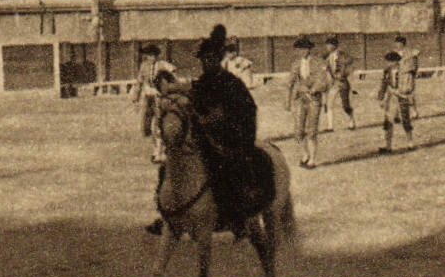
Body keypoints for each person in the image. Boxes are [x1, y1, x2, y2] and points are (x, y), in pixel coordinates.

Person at [147, 24, 262, 235]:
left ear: (218, 60)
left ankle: (236, 217)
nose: (206, 63)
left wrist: (219, 119)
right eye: (203, 60)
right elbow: (191, 88)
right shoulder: (206, 81)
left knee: (226, 169)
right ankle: (169, 215)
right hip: (210, 136)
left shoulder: (230, 82)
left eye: (210, 59)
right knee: (172, 163)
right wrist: (171, 90)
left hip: (233, 137)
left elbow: (245, 112)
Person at [285, 37, 329, 167]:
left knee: (312, 130)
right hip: (299, 99)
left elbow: (323, 80)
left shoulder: (318, 62)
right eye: (299, 49)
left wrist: (313, 90)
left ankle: (312, 159)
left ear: (309, 49)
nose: (301, 51)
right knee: (298, 130)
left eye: (304, 49)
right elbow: (289, 83)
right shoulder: (296, 64)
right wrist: (287, 100)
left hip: (313, 99)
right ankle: (305, 154)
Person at [133, 43, 176, 163]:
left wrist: (166, 73)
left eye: (153, 55)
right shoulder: (144, 67)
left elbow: (173, 71)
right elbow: (139, 82)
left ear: (156, 56)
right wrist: (135, 99)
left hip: (159, 98)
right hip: (148, 99)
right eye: (149, 55)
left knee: (157, 126)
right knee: (147, 127)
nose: (151, 57)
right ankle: (156, 150)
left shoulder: (161, 64)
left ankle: (159, 152)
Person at [375, 50, 414, 152]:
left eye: (389, 61)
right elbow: (383, 85)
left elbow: (409, 86)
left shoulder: (404, 71)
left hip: (402, 97)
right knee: (388, 121)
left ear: (396, 61)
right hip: (391, 98)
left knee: (405, 119)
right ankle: (388, 146)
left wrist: (399, 91)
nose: (387, 64)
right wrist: (380, 98)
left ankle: (410, 143)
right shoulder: (387, 71)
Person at [322, 35, 356, 132]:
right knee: (329, 103)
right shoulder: (328, 57)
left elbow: (350, 63)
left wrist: (343, 73)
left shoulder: (342, 55)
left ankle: (351, 121)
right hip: (333, 83)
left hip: (342, 82)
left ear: (334, 46)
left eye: (329, 45)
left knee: (345, 105)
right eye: (327, 45)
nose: (327, 47)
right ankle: (330, 126)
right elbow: (327, 68)